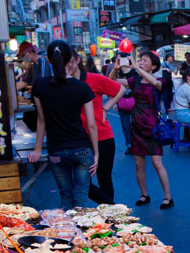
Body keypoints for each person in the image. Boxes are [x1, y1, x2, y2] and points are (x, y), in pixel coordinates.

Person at [28, 40, 99, 210]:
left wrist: (37, 149)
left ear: (49, 60)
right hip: (82, 148)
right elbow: (91, 124)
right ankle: (81, 235)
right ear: (70, 61)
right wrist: (96, 153)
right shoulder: (82, 87)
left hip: (56, 150)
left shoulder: (40, 86)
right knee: (81, 200)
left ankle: (68, 236)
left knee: (66, 198)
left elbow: (41, 119)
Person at [113, 51, 174, 209]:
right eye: (140, 60)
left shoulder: (161, 80)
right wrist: (115, 67)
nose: (140, 62)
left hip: (153, 127)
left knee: (157, 162)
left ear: (153, 66)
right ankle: (144, 194)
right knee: (138, 163)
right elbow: (111, 81)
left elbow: (155, 84)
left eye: (144, 61)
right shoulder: (135, 80)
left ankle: (168, 196)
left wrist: (135, 68)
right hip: (137, 126)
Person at [71, 50, 126, 205]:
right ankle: (114, 209)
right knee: (82, 182)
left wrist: (105, 108)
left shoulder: (94, 79)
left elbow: (120, 89)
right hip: (79, 139)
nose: (67, 65)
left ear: (77, 60)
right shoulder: (65, 84)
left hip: (102, 136)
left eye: (70, 61)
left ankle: (111, 215)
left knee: (105, 179)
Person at [15, 42, 53, 132]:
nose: (23, 58)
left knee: (40, 122)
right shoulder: (33, 66)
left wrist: (30, 91)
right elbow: (23, 83)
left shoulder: (42, 63)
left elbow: (42, 85)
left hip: (44, 101)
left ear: (29, 52)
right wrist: (9, 90)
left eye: (23, 55)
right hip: (36, 99)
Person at [108, 54, 140, 155]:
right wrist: (115, 68)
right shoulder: (116, 72)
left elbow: (137, 84)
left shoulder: (134, 72)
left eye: (122, 58)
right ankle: (129, 145)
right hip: (121, 101)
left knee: (136, 125)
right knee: (125, 125)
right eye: (118, 58)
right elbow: (110, 82)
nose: (120, 60)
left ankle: (138, 144)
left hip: (134, 102)